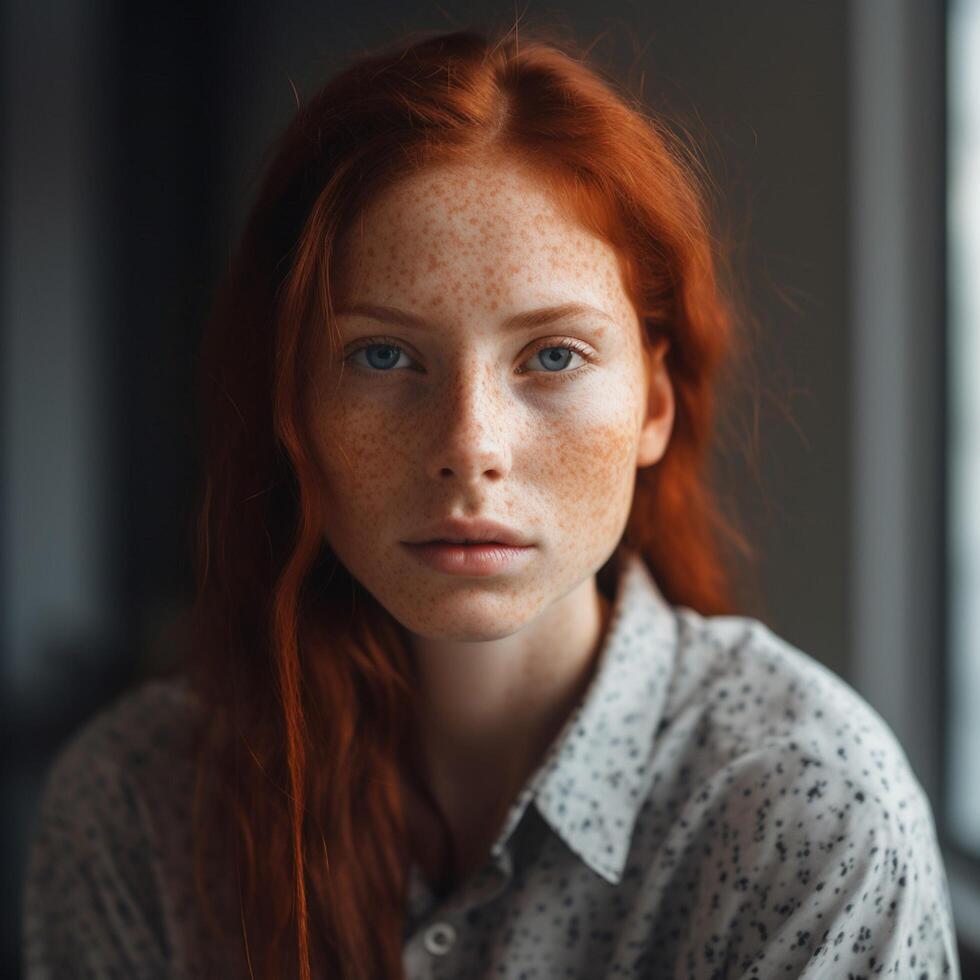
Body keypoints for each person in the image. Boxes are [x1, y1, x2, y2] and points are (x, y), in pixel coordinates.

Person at [22, 24, 961, 980]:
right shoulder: (139, 808)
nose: (470, 447)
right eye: (383, 355)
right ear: (289, 403)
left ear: (655, 405)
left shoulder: (805, 812)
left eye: (553, 356)